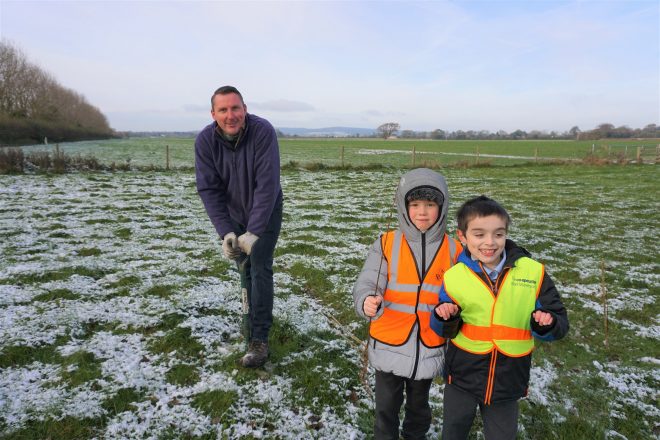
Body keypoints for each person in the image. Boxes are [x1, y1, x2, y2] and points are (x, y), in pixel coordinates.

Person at [430, 195, 569, 439]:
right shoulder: (454, 276)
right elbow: (443, 328)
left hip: (508, 378)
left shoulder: (533, 272)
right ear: (462, 237)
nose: (489, 242)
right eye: (479, 234)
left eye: (498, 234)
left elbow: (560, 321)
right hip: (462, 375)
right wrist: (444, 317)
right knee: (453, 431)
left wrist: (546, 323)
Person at [353, 168, 462, 440]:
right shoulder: (386, 243)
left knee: (419, 409)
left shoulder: (455, 249)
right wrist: (367, 300)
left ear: (442, 206)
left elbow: (462, 295)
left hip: (428, 348)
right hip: (389, 345)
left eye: (430, 204)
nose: (422, 212)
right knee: (386, 409)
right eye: (414, 205)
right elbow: (368, 281)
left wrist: (452, 313)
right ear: (403, 206)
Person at [195, 85, 283, 368]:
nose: (230, 115)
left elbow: (267, 185)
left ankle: (259, 340)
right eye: (223, 109)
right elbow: (209, 189)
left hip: (265, 210)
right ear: (213, 114)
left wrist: (254, 231)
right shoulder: (205, 142)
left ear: (245, 109)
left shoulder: (262, 132)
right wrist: (227, 232)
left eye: (235, 108)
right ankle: (251, 318)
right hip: (233, 213)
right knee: (242, 267)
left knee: (259, 265)